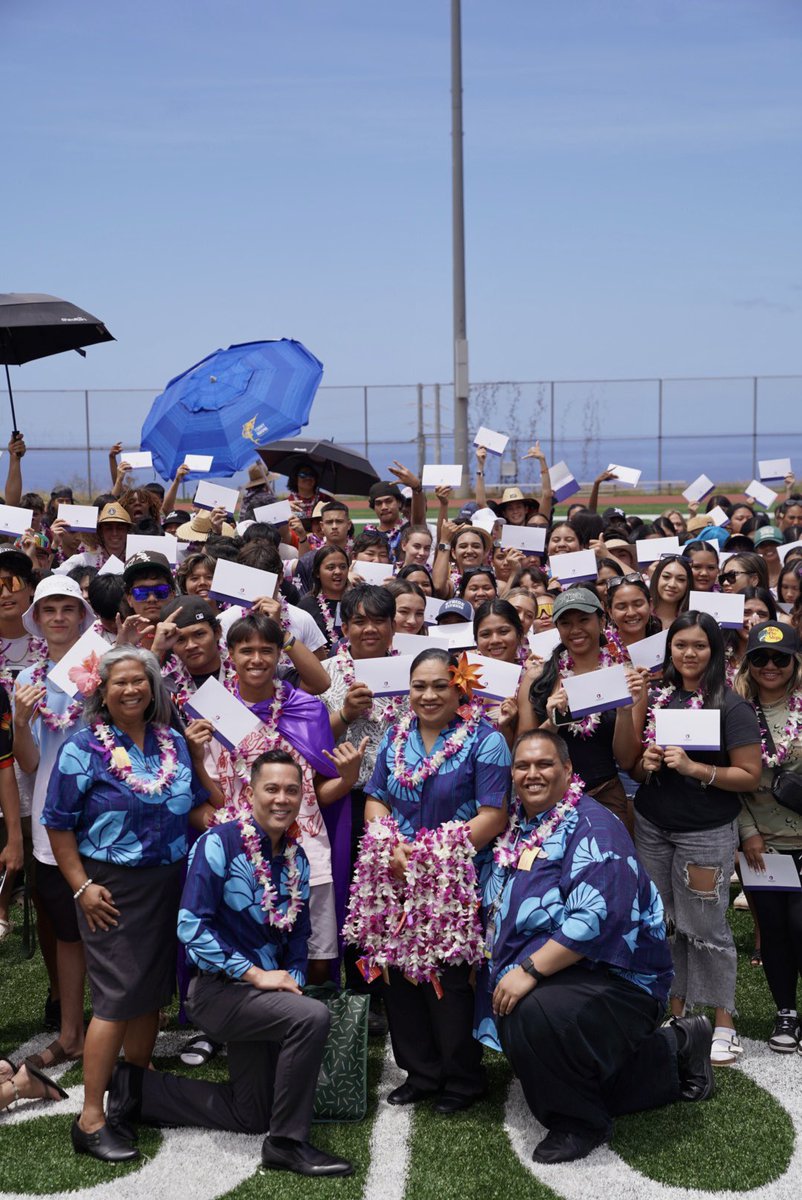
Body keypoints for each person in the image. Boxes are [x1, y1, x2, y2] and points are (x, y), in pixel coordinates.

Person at [101, 750, 353, 1178]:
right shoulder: (219, 842)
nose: (282, 799)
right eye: (271, 789)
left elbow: (298, 941)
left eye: (292, 790)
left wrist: (287, 984)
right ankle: (287, 1144)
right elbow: (190, 926)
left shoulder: (297, 857)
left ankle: (137, 1088)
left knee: (251, 1112)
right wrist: (257, 976)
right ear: (250, 792)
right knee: (311, 1017)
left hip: (265, 995)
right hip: (217, 991)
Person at [479, 729, 713, 1164]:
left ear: (568, 770)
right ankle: (677, 1047)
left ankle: (578, 1121)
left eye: (545, 764)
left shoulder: (594, 826)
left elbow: (596, 919)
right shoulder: (519, 825)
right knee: (523, 1015)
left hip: (617, 977)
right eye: (523, 766)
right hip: (563, 971)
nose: (533, 774)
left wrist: (526, 972)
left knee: (532, 1014)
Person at [42, 645, 214, 1162]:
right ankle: (91, 1117)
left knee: (151, 991)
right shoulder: (82, 748)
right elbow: (57, 823)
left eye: (141, 680)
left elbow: (198, 805)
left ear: (154, 687)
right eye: (120, 682)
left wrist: (203, 765)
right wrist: (80, 886)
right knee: (117, 997)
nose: (132, 689)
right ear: (101, 689)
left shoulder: (172, 742)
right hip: (109, 888)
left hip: (170, 880)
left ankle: (136, 1091)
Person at [364, 647, 511, 1113]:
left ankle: (463, 1078)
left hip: (456, 878)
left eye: (439, 686)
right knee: (399, 978)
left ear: (459, 687)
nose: (427, 695)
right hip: (396, 876)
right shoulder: (394, 736)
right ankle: (420, 1072)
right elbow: (376, 799)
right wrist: (388, 844)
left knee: (450, 981)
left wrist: (433, 858)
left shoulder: (485, 741)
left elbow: (493, 815)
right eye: (418, 686)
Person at [192, 612, 365, 981]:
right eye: (247, 650)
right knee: (242, 952)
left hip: (305, 851)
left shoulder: (308, 709)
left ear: (279, 656)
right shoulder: (211, 710)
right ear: (230, 655)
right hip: (238, 852)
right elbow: (216, 795)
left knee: (316, 954)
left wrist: (347, 779)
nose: (257, 659)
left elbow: (319, 792)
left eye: (266, 650)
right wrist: (194, 756)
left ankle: (309, 1025)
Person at [630, 612, 762, 1065]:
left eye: (699, 646)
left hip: (704, 834)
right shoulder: (660, 698)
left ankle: (724, 1021)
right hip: (652, 826)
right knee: (663, 922)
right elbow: (631, 764)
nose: (689, 653)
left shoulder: (731, 705)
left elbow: (749, 775)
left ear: (716, 651)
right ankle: (676, 1009)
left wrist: (695, 769)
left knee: (706, 926)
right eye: (680, 644)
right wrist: (644, 763)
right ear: (669, 649)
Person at [12, 576, 97, 1072]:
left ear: (82, 616)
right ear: (38, 620)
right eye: (50, 610)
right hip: (52, 818)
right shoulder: (27, 680)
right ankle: (71, 1032)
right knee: (67, 930)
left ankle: (117, 1025)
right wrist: (21, 723)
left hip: (105, 814)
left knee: (110, 925)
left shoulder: (103, 666)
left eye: (68, 608)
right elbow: (26, 762)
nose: (59, 617)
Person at [520, 588, 647, 831]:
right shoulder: (538, 677)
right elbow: (523, 747)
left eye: (584, 620)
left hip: (605, 795)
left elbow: (627, 759)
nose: (575, 629)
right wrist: (553, 721)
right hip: (546, 797)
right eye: (566, 623)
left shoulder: (626, 677)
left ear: (601, 621)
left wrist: (624, 711)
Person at [734, 621, 802, 1053]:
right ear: (748, 662)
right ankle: (785, 1012)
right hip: (763, 846)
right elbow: (733, 776)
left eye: (781, 657)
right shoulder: (736, 711)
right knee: (774, 930)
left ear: (795, 661)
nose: (770, 665)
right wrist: (747, 833)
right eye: (760, 657)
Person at [297, 544, 350, 653]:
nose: (338, 572)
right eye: (331, 567)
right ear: (317, 573)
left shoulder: (358, 602)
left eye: (343, 567)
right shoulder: (306, 606)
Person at [650, 554, 692, 630]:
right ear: (656, 578)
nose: (672, 584)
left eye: (681, 579)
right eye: (666, 577)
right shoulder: (642, 615)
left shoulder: (693, 621)